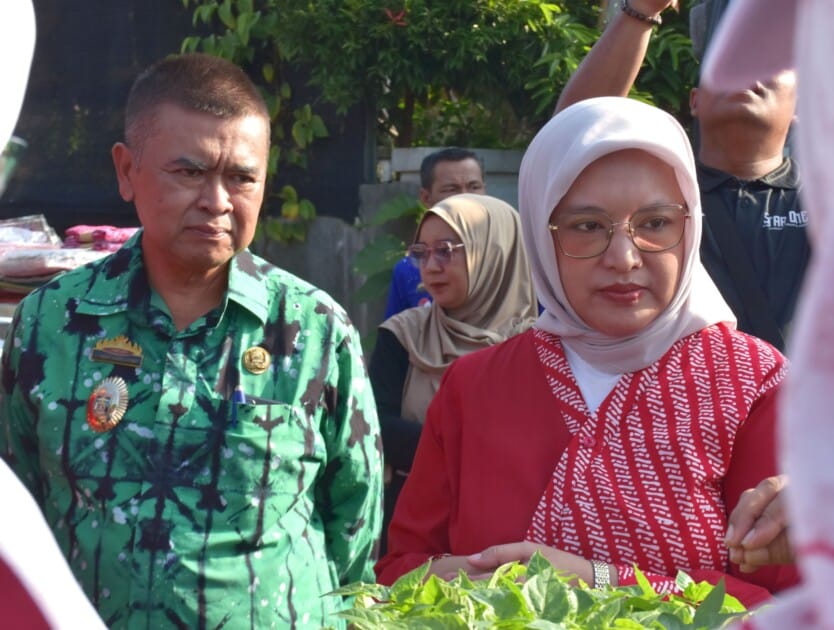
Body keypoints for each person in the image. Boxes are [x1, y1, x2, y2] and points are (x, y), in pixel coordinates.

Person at [0, 53, 382, 629]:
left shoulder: (316, 331)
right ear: (127, 170)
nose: (218, 201)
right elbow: (16, 509)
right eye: (189, 172)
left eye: (242, 177)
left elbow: (355, 525)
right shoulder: (52, 323)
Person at [375, 96, 799, 607]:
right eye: (587, 227)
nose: (623, 258)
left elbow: (795, 604)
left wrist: (598, 582)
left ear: (691, 225)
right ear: (540, 233)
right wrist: (464, 581)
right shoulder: (475, 385)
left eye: (656, 223)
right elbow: (399, 570)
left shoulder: (749, 384)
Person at [553, 0, 809, 352]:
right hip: (679, 402)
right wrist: (642, 10)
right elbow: (571, 136)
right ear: (695, 100)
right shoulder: (656, 190)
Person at [371, 193, 538, 554]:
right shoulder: (403, 335)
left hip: (517, 537)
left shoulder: (537, 347)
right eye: (422, 252)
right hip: (415, 528)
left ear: (495, 253)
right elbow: (374, 424)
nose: (430, 266)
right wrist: (472, 450)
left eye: (446, 250)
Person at [383, 148, 486, 319]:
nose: (465, 197)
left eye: (474, 187)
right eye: (451, 189)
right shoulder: (408, 270)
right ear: (425, 197)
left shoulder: (516, 263)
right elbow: (394, 339)